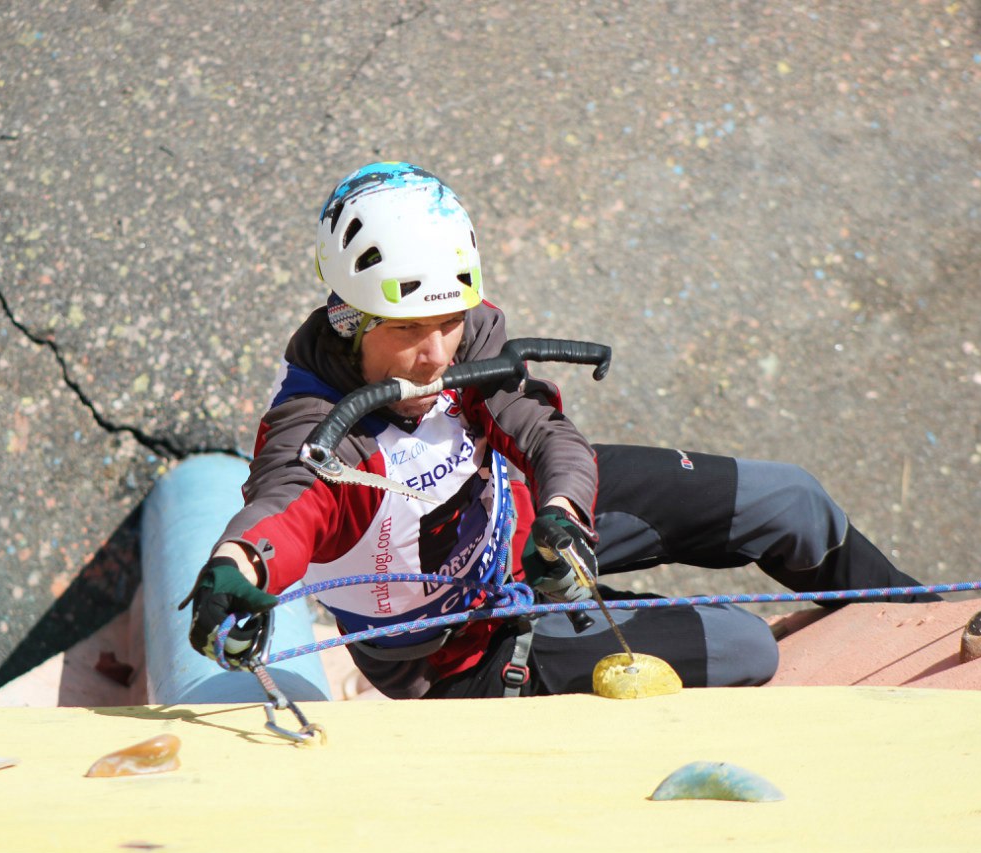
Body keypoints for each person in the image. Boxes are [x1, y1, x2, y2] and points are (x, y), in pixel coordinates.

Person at [180, 161, 938, 699]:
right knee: (743, 646)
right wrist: (237, 567)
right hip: (474, 647)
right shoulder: (322, 429)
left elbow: (548, 434)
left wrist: (563, 515)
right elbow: (283, 505)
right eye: (412, 331)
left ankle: (938, 629)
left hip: (528, 522)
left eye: (451, 322)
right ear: (351, 321)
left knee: (792, 501)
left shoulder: (463, 335)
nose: (439, 352)